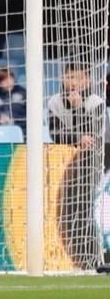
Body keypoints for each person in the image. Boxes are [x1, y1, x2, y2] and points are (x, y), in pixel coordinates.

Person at [48, 62, 105, 270]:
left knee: (91, 210)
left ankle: (94, 257)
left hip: (93, 163)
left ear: (87, 80)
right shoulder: (54, 102)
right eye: (69, 77)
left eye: (77, 78)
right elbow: (55, 134)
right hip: (64, 163)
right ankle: (75, 259)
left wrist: (78, 109)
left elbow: (95, 134)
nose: (72, 82)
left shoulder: (95, 101)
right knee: (68, 210)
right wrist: (77, 138)